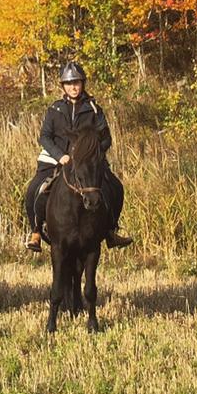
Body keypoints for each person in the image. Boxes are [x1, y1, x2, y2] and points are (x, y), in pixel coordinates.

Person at [22, 62, 132, 253]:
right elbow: (44, 137)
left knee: (115, 186)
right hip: (56, 160)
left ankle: (111, 231)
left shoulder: (94, 109)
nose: (73, 87)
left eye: (77, 83)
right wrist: (60, 156)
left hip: (88, 163)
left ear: (83, 84)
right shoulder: (54, 110)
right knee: (34, 189)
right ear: (63, 86)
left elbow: (106, 137)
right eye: (69, 83)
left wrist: (94, 154)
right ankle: (36, 232)